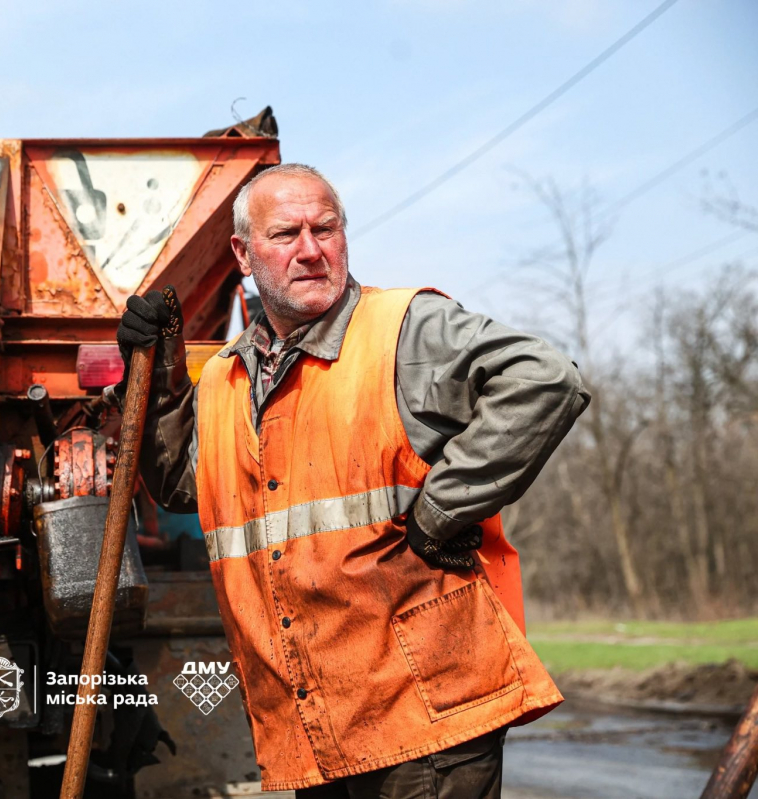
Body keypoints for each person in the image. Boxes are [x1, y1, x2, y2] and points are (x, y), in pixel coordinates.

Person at [114, 163, 590, 798]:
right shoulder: (227, 379)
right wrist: (162, 373)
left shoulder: (404, 330)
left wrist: (441, 513)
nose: (311, 250)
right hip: (316, 722)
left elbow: (546, 379)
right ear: (243, 253)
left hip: (426, 714)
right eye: (286, 234)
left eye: (327, 229)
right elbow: (178, 483)